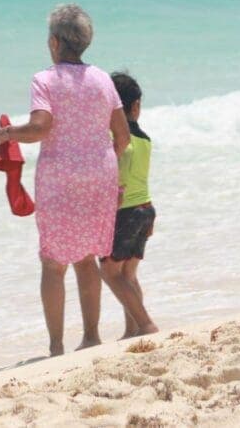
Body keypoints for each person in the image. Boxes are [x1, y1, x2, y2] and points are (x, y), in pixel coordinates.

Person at [0, 4, 130, 357]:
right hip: (100, 175)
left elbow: (40, 127)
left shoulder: (45, 80)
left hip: (60, 180)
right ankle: (91, 337)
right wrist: (102, 163)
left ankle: (56, 347)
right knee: (86, 258)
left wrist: (7, 134)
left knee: (54, 263)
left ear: (54, 42)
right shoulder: (102, 79)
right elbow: (123, 136)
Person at [98, 72, 158, 339]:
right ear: (135, 107)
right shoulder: (145, 139)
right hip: (145, 209)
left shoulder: (118, 141)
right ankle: (132, 330)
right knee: (129, 274)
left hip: (125, 212)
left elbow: (116, 178)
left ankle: (145, 324)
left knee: (110, 272)